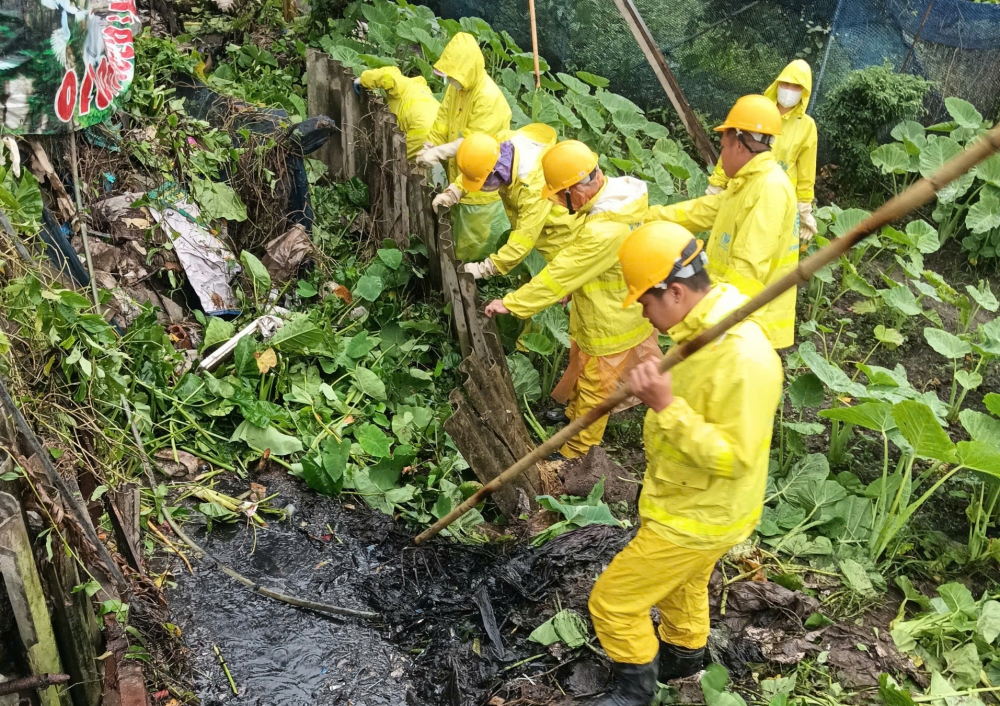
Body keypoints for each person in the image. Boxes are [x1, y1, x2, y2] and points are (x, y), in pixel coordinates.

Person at [584, 221, 783, 706]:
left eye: (645, 303)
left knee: (612, 603)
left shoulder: (742, 357)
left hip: (697, 516)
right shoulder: (702, 328)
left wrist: (666, 406)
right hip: (695, 502)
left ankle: (635, 690)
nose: (644, 315)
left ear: (674, 291)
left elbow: (734, 457)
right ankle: (683, 658)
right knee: (686, 586)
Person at [483, 140, 660, 459]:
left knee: (596, 390)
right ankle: (571, 417)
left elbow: (560, 274)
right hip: (606, 306)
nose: (561, 206)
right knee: (582, 368)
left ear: (578, 188)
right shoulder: (620, 201)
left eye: (561, 197)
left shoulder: (604, 230)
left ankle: (576, 453)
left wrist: (511, 304)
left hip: (612, 322)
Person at [646, 95, 798, 349]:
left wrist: (707, 318)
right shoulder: (749, 181)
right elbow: (702, 211)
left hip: (742, 325)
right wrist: (646, 217)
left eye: (723, 147)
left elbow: (747, 271)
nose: (722, 156)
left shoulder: (769, 188)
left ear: (739, 144)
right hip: (726, 313)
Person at [416, 32, 512, 262]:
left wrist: (454, 184)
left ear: (468, 70)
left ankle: (475, 282)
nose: (450, 80)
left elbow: (477, 149)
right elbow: (443, 120)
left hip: (483, 185)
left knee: (474, 244)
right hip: (461, 173)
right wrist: (431, 143)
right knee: (457, 237)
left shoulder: (487, 98)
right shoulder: (458, 88)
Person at [705, 60, 818, 241]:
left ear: (804, 91)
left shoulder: (807, 126)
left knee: (759, 247)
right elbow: (733, 147)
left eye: (796, 86)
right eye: (785, 83)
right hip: (743, 188)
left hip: (776, 199)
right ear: (777, 83)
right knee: (729, 241)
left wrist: (804, 209)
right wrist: (716, 185)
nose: (789, 89)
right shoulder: (756, 110)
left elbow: (806, 172)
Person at [447, 124, 560, 279]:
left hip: (556, 237)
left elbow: (523, 239)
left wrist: (487, 268)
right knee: (530, 283)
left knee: (548, 287)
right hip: (536, 229)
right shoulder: (502, 144)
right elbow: (478, 163)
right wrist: (455, 189)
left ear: (495, 172)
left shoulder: (534, 189)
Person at [354, 67, 440, 159]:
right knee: (432, 164)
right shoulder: (420, 89)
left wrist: (362, 80)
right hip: (440, 128)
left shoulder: (400, 86)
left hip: (421, 129)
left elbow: (388, 75)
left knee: (401, 162)